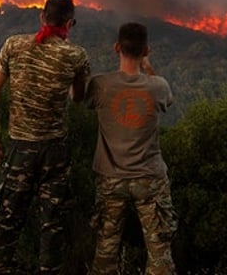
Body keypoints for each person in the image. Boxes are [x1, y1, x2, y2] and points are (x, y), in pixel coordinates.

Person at [0, 0, 90, 274]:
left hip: (20, 149)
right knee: (52, 224)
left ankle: (0, 268)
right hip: (55, 151)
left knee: (8, 219)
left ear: (42, 17)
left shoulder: (13, 46)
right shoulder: (76, 55)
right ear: (70, 23)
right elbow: (78, 98)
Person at [85, 22, 178, 275]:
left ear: (116, 48)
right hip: (150, 178)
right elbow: (166, 100)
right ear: (146, 50)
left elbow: (79, 97)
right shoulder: (158, 86)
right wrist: (147, 68)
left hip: (111, 179)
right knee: (160, 253)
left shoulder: (100, 85)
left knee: (105, 250)